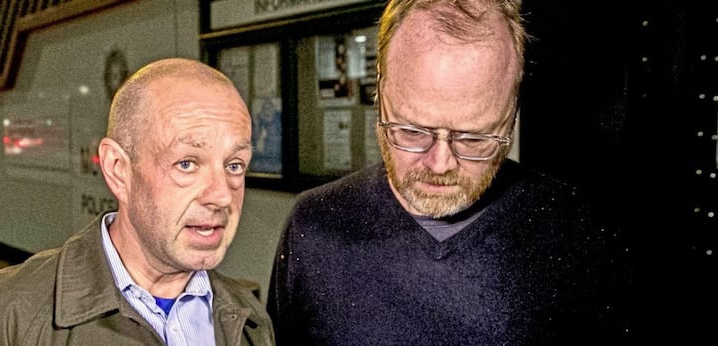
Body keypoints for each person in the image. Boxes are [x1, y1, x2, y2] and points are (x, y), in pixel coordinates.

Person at [266, 0, 632, 345]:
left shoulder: (577, 231)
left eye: (474, 138)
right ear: (380, 88)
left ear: (513, 107)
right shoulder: (312, 225)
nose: (440, 164)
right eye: (412, 130)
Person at [0, 58, 275, 345]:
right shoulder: (5, 320)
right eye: (186, 163)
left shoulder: (247, 318)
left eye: (234, 165)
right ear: (118, 170)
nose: (221, 195)